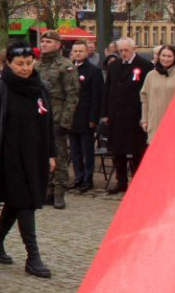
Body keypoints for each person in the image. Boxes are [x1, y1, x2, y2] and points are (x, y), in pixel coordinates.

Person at [0, 41, 57, 279]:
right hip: (10, 154)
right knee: (26, 201)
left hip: (36, 153)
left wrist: (52, 153)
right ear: (8, 64)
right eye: (19, 64)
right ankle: (33, 257)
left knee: (16, 201)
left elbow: (48, 122)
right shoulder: (0, 89)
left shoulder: (41, 87)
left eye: (28, 63)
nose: (24, 68)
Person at [35, 30, 79, 209]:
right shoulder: (37, 66)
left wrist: (65, 122)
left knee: (59, 156)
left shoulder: (65, 66)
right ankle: (46, 190)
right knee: (42, 155)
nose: (44, 44)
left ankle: (59, 192)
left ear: (58, 45)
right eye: (43, 41)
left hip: (57, 117)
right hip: (40, 118)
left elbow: (72, 95)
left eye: (49, 42)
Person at [102, 37, 151, 193]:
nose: (123, 53)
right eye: (120, 51)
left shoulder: (145, 66)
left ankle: (137, 183)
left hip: (134, 117)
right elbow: (107, 90)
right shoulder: (114, 66)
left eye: (126, 50)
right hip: (116, 117)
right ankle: (121, 182)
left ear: (133, 49)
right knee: (118, 152)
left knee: (137, 152)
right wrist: (105, 113)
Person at [68, 41, 103, 191]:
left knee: (87, 151)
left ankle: (88, 179)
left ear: (86, 52)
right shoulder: (69, 69)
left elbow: (97, 97)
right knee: (75, 151)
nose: (77, 54)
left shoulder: (93, 71)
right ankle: (78, 177)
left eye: (80, 51)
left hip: (86, 117)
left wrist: (93, 119)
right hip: (71, 117)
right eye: (75, 51)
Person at [140, 44, 175, 145]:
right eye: (163, 55)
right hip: (155, 122)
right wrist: (145, 120)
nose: (166, 59)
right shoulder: (151, 75)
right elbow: (144, 99)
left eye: (169, 56)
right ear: (159, 56)